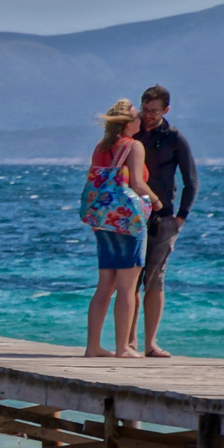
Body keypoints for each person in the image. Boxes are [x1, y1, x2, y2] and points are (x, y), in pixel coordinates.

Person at [84, 99, 157, 358]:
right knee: (128, 285)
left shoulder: (100, 147)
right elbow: (137, 183)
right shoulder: (134, 146)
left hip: (102, 219)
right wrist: (157, 200)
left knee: (105, 284)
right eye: (137, 117)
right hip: (128, 221)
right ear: (128, 123)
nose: (141, 121)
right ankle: (123, 347)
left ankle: (92, 346)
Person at [133, 84, 197, 357]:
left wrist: (180, 217)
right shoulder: (131, 133)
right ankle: (128, 343)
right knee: (130, 280)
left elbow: (190, 180)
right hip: (132, 216)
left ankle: (150, 343)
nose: (148, 115)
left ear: (166, 110)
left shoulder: (174, 138)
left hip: (164, 216)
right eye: (145, 110)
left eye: (154, 111)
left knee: (155, 279)